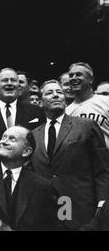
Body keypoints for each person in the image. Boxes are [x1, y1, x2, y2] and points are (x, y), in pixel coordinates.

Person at [31, 80, 109, 230]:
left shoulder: (86, 125)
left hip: (81, 208)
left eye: (59, 92)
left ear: (64, 100)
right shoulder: (33, 135)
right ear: (40, 102)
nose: (55, 95)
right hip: (46, 212)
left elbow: (102, 168)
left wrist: (102, 203)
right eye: (49, 93)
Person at [0, 68, 45, 164]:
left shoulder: (36, 112)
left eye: (13, 80)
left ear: (18, 86)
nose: (9, 83)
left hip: (28, 173)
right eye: (5, 80)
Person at [65, 62, 109, 148]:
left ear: (91, 79)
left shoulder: (106, 102)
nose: (74, 78)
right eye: (71, 75)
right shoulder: (66, 111)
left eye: (78, 74)